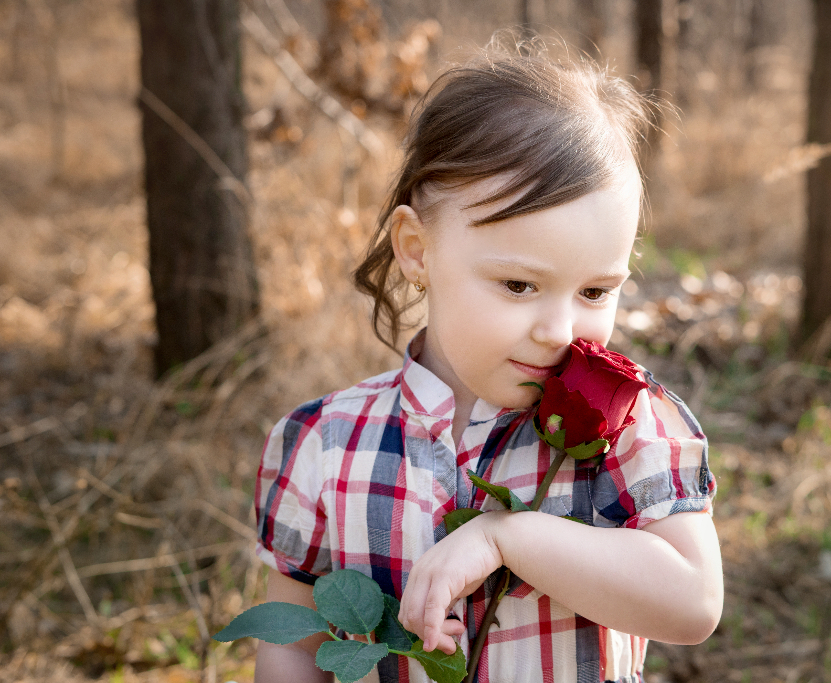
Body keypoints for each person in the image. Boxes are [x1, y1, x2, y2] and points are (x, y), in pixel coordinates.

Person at [252, 37, 723, 683]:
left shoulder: (628, 428)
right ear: (417, 249)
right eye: (519, 285)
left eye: (595, 291)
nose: (560, 331)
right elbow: (292, 644)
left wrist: (507, 537)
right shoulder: (325, 444)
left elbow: (693, 601)